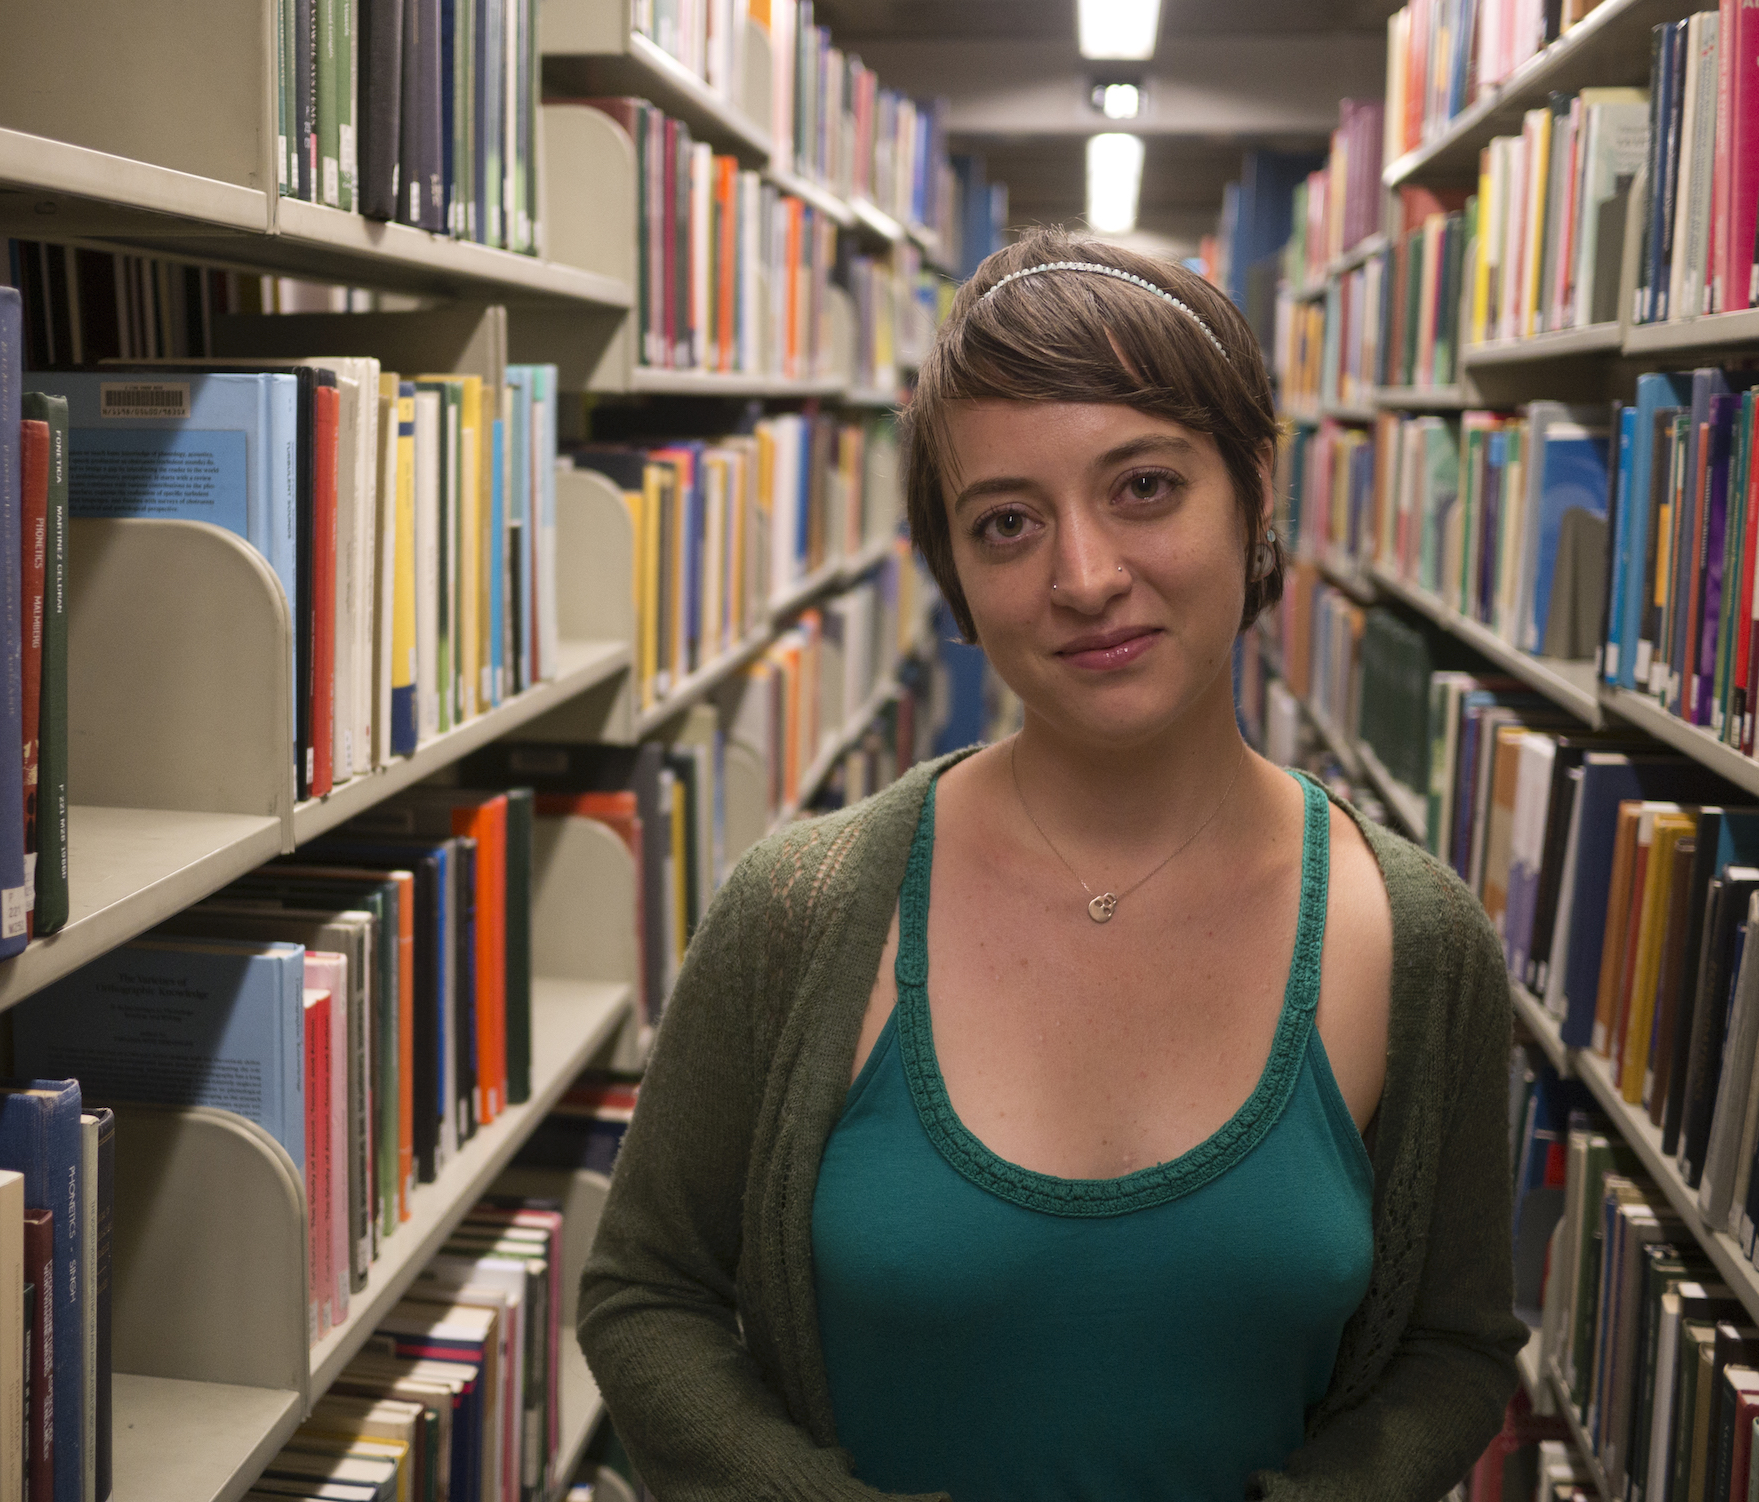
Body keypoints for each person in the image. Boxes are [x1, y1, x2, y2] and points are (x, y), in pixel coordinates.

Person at [576, 229, 1522, 1502]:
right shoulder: (796, 913)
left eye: (1143, 487)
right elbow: (646, 1294)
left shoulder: (1413, 938)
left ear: (1252, 490)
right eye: (1007, 522)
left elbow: (1452, 1347)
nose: (1084, 578)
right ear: (956, 575)